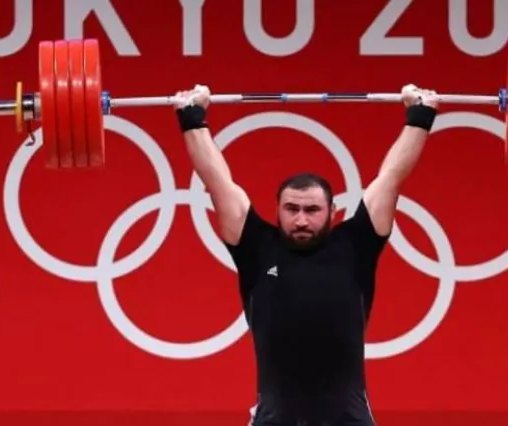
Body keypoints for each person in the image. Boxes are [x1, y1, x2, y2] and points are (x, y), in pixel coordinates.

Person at [173, 84, 440, 426]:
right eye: (292, 209)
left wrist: (420, 116)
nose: (301, 220)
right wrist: (192, 118)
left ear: (332, 211)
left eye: (312, 210)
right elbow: (216, 180)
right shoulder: (256, 246)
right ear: (278, 209)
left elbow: (391, 178)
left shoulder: (356, 244)